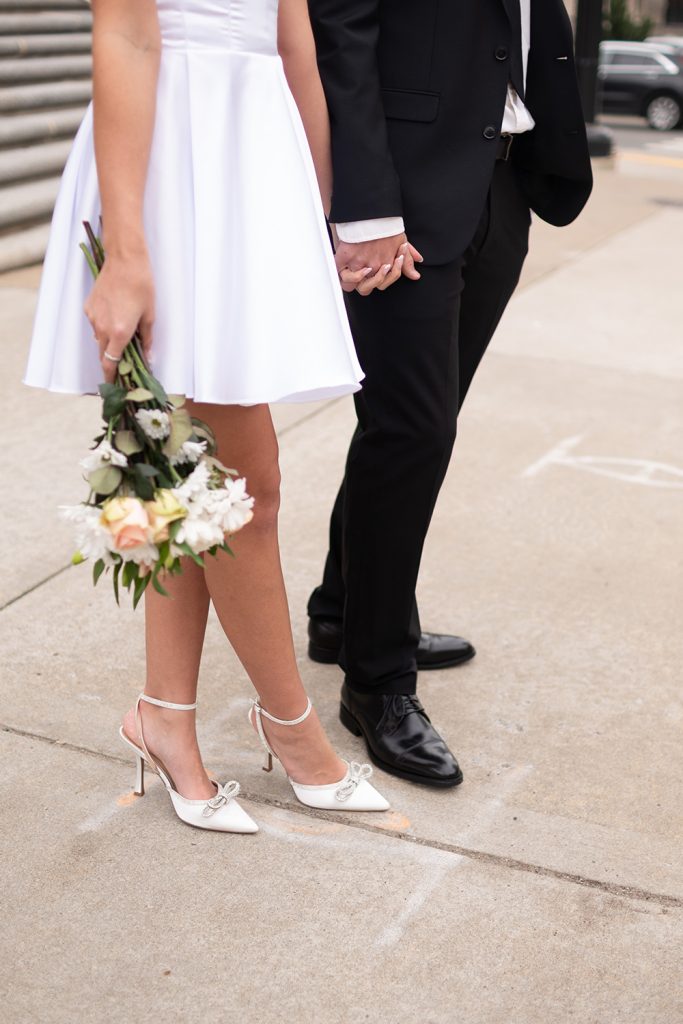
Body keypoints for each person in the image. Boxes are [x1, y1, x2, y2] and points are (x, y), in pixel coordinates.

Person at [24, 0, 390, 833]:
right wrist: (126, 249)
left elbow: (291, 32)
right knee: (243, 488)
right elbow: (125, 32)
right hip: (172, 150)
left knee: (190, 474)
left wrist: (317, 209)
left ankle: (165, 714)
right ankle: (293, 733)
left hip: (253, 155)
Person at [307, 0, 593, 787]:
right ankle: (377, 683)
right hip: (404, 190)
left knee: (411, 424)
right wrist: (364, 209)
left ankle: (343, 611)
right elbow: (343, 29)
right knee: (414, 429)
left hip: (503, 180)